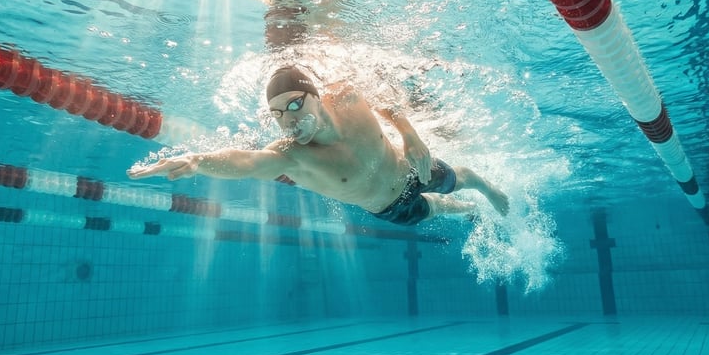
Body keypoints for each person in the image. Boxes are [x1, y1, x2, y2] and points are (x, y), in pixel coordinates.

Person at [127, 65, 510, 226]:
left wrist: (409, 132)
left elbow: (386, 94)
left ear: (316, 96)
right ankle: (464, 211)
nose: (288, 119)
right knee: (441, 211)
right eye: (277, 113)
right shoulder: (291, 156)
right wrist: (195, 161)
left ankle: (485, 186)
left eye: (294, 104)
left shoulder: (345, 94)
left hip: (410, 169)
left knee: (462, 178)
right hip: (388, 208)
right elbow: (245, 162)